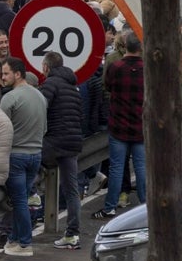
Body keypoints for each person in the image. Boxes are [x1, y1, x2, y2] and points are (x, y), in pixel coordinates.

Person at [0, 58, 47, 256]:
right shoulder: (40, 97)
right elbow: (44, 128)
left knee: (19, 201)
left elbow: (0, 129)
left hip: (16, 154)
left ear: (17, 74)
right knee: (23, 199)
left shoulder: (10, 98)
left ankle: (25, 243)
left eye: (6, 74)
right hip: (36, 153)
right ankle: (14, 239)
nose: (3, 78)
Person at [95, 33, 146, 220]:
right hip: (140, 124)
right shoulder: (146, 69)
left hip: (118, 124)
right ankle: (146, 206)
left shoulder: (116, 67)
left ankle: (110, 207)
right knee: (141, 166)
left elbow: (107, 87)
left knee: (116, 167)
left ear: (125, 46)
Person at [38, 50, 83, 249]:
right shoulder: (73, 86)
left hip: (54, 139)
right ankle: (72, 234)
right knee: (71, 189)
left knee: (30, 163)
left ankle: (31, 193)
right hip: (73, 141)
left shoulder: (50, 84)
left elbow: (40, 109)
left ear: (46, 67)